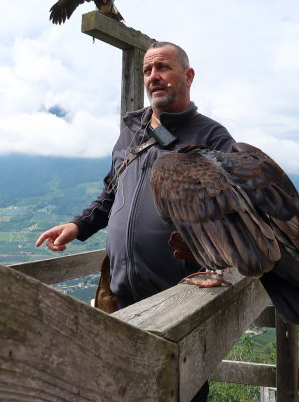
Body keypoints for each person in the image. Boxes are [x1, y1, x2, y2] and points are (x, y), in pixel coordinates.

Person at [36, 41, 235, 402]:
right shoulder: (130, 133)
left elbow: (235, 215)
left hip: (180, 297)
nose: (154, 77)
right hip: (122, 294)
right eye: (147, 70)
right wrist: (79, 226)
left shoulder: (212, 137)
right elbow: (112, 193)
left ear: (188, 76)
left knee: (181, 390)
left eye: (163, 68)